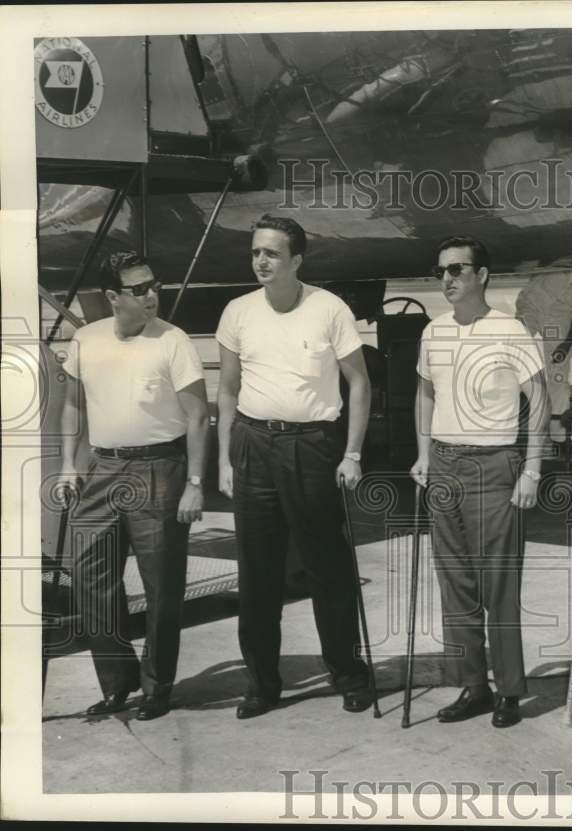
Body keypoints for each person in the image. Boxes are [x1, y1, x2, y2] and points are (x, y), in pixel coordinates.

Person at [216, 214, 373, 720]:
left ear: (297, 260)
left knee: (327, 568)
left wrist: (351, 454)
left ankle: (348, 674)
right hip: (253, 444)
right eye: (256, 252)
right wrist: (225, 459)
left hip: (312, 446)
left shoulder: (328, 309)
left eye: (272, 254)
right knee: (257, 574)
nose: (261, 261)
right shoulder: (237, 312)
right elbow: (227, 389)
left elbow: (360, 384)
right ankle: (262, 684)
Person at [57, 251, 209, 721]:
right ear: (112, 297)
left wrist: (196, 483)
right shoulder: (86, 339)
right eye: (139, 289)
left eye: (153, 285)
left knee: (162, 585)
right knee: (89, 578)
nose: (151, 295)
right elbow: (73, 407)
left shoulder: (173, 341)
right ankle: (117, 684)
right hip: (103, 469)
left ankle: (157, 687)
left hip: (160, 468)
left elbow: (198, 415)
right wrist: (68, 464)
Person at [410, 236, 547, 729]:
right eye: (442, 270)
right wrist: (424, 455)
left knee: (499, 588)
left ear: (483, 275)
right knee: (456, 586)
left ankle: (510, 689)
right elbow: (424, 394)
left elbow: (541, 398)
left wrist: (532, 469)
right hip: (445, 466)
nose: (448, 279)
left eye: (459, 270)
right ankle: (474, 686)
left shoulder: (510, 330)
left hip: (496, 468)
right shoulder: (433, 332)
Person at [515, 266, 572, 460]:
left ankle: (559, 434)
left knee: (558, 371)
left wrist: (568, 342)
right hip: (530, 306)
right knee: (511, 355)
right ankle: (510, 424)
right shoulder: (560, 255)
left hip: (558, 317)